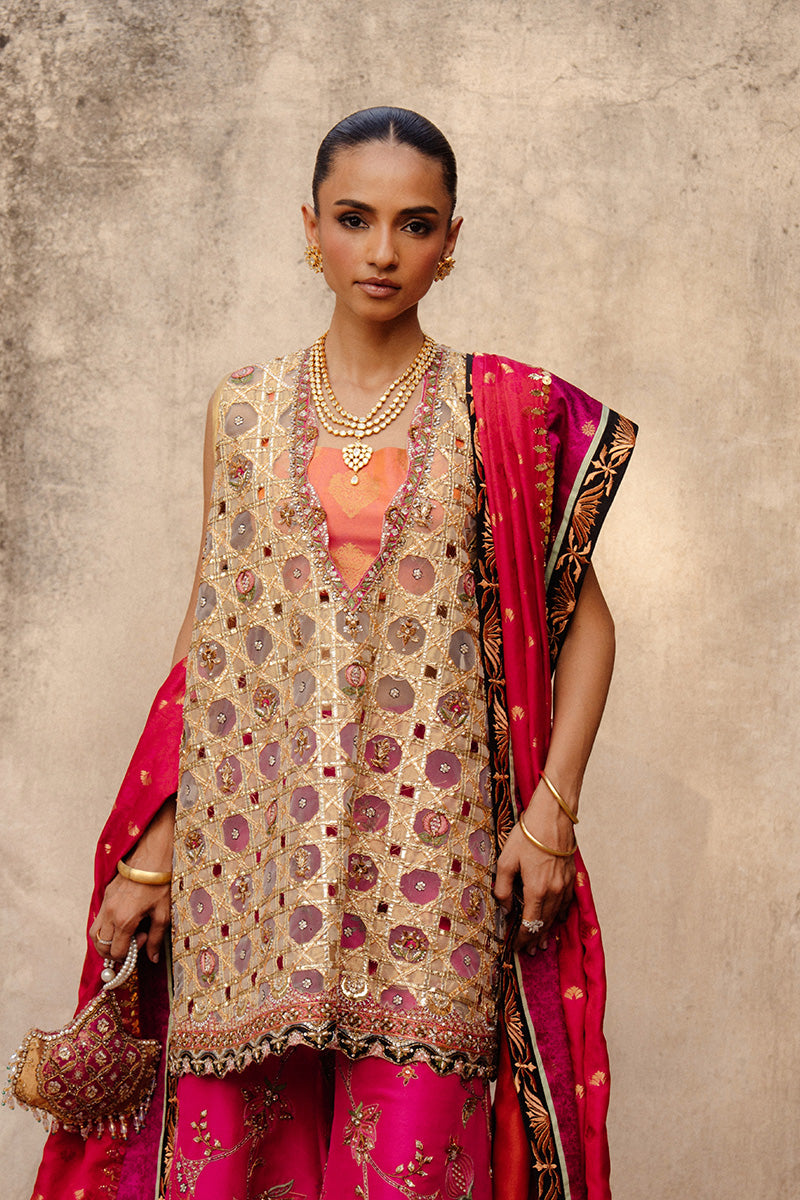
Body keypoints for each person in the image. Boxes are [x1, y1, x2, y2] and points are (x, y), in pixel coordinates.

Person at [28, 107, 636, 1200]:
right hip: (248, 871)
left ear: (451, 241)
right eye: (354, 219)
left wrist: (552, 811)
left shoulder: (497, 414)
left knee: (410, 1164)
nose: (382, 250)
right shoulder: (242, 411)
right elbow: (209, 636)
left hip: (432, 877)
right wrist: (155, 849)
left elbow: (585, 624)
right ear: (309, 228)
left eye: (415, 224)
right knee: (233, 1160)